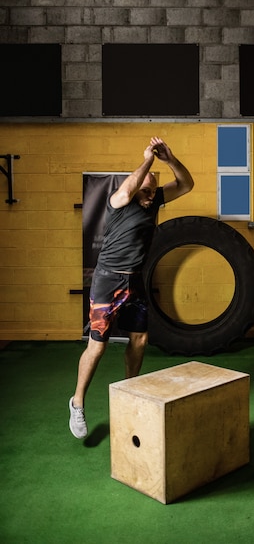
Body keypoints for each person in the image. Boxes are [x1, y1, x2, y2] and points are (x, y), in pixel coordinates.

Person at [69, 137, 194, 439]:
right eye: (147, 190)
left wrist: (169, 158)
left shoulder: (154, 201)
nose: (152, 196)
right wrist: (147, 159)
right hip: (108, 280)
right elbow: (128, 187)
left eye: (154, 190)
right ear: (137, 189)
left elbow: (187, 184)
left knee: (140, 340)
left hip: (134, 281)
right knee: (97, 346)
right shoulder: (119, 203)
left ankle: (129, 391)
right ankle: (77, 402)